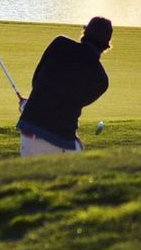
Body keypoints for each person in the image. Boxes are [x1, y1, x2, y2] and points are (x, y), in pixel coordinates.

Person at [15, 17, 112, 156]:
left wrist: (27, 104)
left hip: (29, 131)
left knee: (33, 177)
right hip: (61, 140)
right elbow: (68, 102)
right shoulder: (102, 80)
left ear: (84, 32)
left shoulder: (59, 44)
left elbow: (37, 83)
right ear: (106, 45)